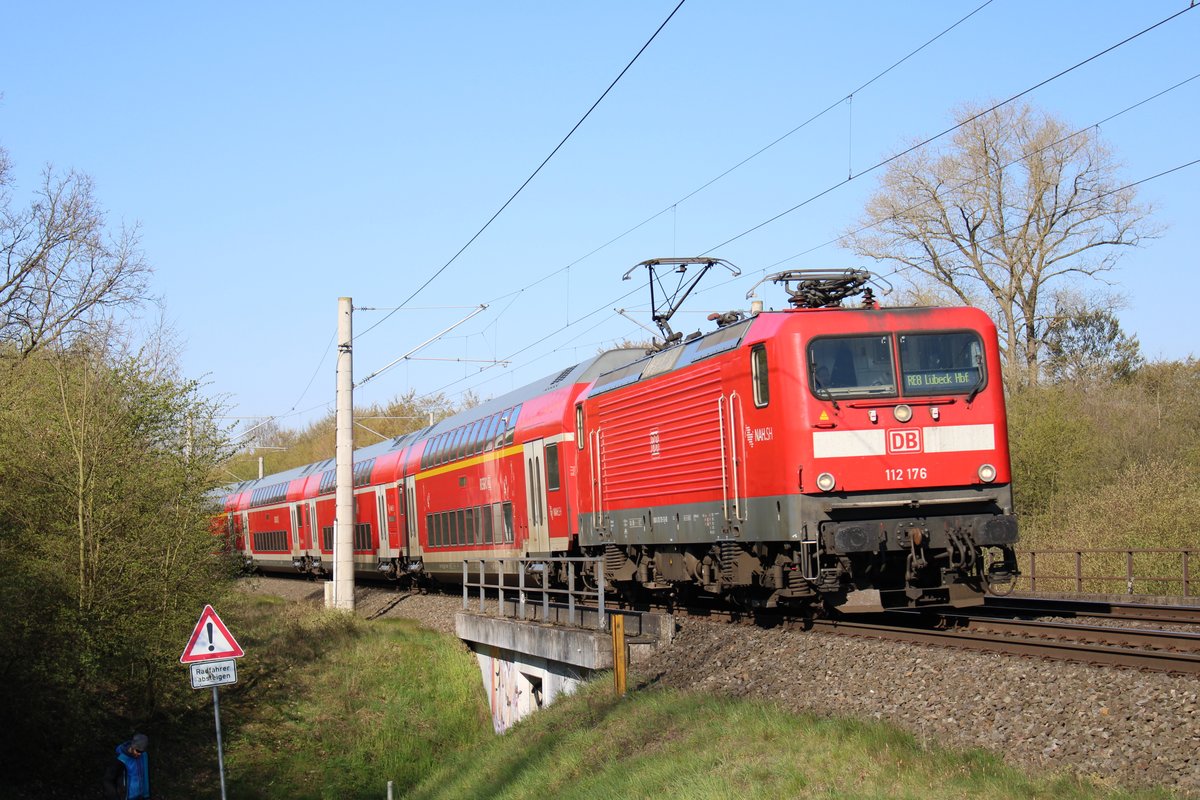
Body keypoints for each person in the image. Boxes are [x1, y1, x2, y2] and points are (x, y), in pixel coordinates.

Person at [102, 733, 151, 800]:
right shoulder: (120, 759)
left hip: (140, 797)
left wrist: (146, 796)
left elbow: (146, 775)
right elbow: (108, 780)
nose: (139, 754)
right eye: (138, 751)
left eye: (142, 751)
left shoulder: (144, 756)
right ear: (133, 746)